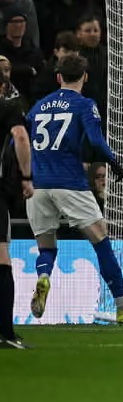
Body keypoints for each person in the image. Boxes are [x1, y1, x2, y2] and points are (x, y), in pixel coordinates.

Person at [22, 53, 123, 325]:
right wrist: (114, 162)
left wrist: (22, 176)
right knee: (101, 242)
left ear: (58, 77)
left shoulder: (38, 106)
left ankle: (43, 276)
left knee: (46, 247)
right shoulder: (84, 104)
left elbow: (17, 142)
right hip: (70, 183)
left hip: (38, 185)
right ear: (85, 77)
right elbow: (96, 140)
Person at [0, 92, 31, 348]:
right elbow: (20, 136)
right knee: (1, 257)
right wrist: (26, 177)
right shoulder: (7, 108)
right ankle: (5, 333)